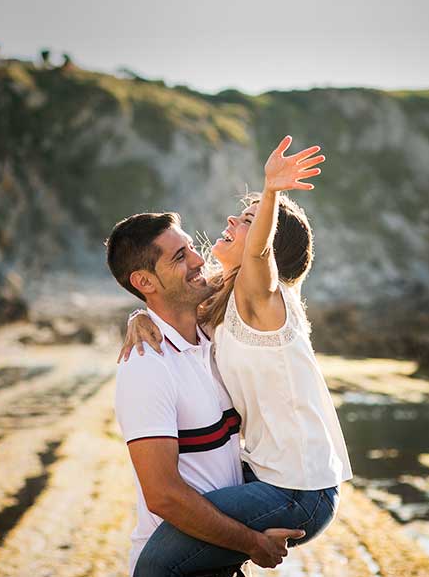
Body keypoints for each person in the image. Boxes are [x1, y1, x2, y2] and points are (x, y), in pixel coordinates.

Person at [113, 136, 353, 575]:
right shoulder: (220, 313)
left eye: (248, 219)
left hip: (298, 489)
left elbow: (258, 252)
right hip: (270, 478)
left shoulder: (263, 299)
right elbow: (168, 307)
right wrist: (137, 315)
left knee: (154, 569)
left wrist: (273, 191)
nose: (230, 220)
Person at [107, 211, 304, 577]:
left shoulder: (217, 340)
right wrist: (251, 542)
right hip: (176, 566)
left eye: (192, 248)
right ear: (144, 281)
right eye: (180, 257)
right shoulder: (147, 367)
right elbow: (163, 494)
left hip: (219, 559)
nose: (199, 260)